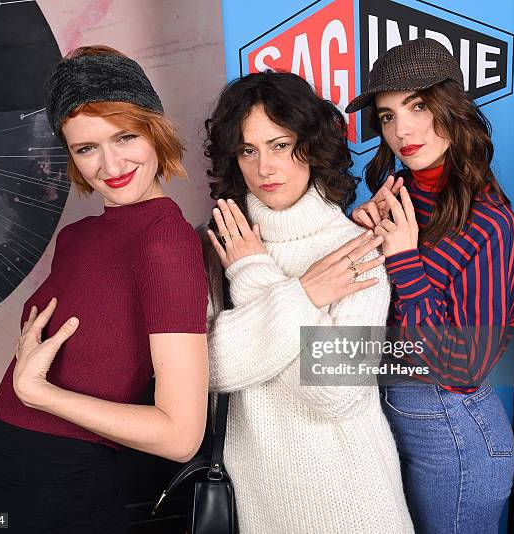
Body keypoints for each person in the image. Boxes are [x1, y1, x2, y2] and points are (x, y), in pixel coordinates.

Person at [0, 45, 209, 534]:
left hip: (62, 491)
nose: (110, 165)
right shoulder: (77, 237)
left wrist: (39, 394)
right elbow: (18, 387)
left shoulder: (165, 241)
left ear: (154, 128)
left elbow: (180, 436)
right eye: (85, 148)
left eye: (124, 136)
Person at [202, 71, 413, 533]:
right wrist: (306, 294)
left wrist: (255, 278)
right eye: (247, 150)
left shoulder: (357, 245)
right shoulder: (217, 246)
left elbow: (335, 392)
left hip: (356, 498)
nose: (265, 168)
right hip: (261, 502)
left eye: (280, 145)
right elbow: (207, 369)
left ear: (311, 145)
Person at [345, 38, 514, 534]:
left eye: (418, 106)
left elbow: (463, 365)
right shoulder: (401, 196)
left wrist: (403, 260)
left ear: (451, 107)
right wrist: (361, 240)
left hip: (454, 431)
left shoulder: (490, 224)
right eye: (386, 116)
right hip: (391, 415)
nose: (401, 130)